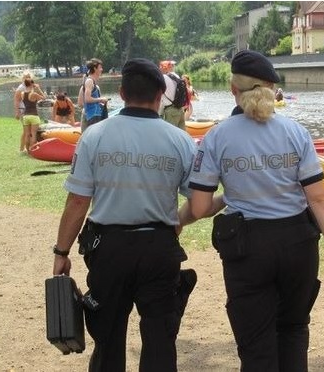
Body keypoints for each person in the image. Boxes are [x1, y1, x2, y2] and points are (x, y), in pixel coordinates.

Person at [184, 50, 324, 372]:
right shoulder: (296, 132)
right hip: (298, 244)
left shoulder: (216, 137)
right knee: (293, 330)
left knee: (255, 344)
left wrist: (230, 196)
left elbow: (200, 206)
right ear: (271, 90)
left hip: (247, 249)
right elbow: (318, 199)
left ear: (233, 89)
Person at [51, 58, 220, 372]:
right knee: (159, 339)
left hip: (108, 249)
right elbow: (200, 205)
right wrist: (219, 202)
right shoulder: (181, 141)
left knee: (108, 336)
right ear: (159, 96)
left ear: (123, 93)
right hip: (159, 250)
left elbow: (77, 203)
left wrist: (62, 251)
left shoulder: (94, 136)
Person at [14, 72, 44, 153]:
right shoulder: (21, 88)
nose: (28, 78)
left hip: (26, 112)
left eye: (29, 77)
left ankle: (27, 149)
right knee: (28, 132)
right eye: (26, 77)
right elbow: (16, 100)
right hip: (24, 110)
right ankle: (23, 148)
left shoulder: (25, 90)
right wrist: (17, 112)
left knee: (28, 132)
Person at [79, 58, 109, 132]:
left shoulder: (91, 82)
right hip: (92, 116)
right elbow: (87, 99)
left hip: (93, 115)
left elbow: (81, 103)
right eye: (100, 67)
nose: (102, 69)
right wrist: (101, 99)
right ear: (95, 68)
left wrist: (101, 103)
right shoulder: (89, 81)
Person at [158, 60, 186, 130]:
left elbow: (160, 95)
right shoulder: (176, 76)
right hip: (180, 110)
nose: (159, 69)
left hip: (171, 111)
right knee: (182, 134)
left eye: (160, 67)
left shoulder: (163, 78)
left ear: (164, 68)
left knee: (170, 135)